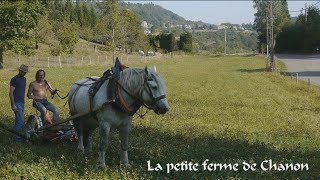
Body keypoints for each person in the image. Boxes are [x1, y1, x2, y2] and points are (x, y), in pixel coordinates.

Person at [9, 64, 29, 143]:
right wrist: (13, 104)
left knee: (19, 121)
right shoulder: (14, 79)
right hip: (16, 102)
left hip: (22, 102)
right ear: (19, 70)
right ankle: (18, 140)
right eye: (22, 71)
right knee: (20, 121)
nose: (23, 73)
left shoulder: (24, 79)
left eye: (25, 72)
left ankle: (18, 137)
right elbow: (11, 93)